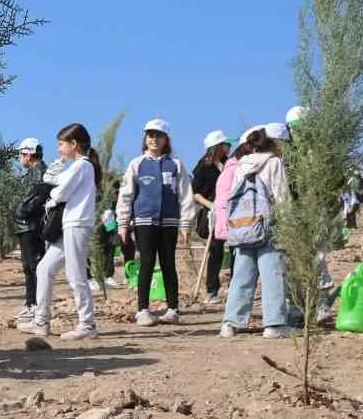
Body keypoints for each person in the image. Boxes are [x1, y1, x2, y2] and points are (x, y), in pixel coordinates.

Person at [22, 123, 102, 340]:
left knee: (76, 276)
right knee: (44, 269)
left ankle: (87, 324)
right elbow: (52, 179)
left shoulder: (83, 166)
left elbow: (62, 192)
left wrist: (51, 198)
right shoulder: (75, 166)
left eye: (61, 144)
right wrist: (58, 168)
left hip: (77, 224)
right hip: (69, 225)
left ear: (73, 144)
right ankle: (41, 321)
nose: (58, 149)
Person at [116, 118, 192, 326]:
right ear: (145, 139)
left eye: (158, 135)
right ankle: (142, 309)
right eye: (150, 135)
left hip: (169, 222)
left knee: (168, 264)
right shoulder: (137, 164)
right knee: (147, 263)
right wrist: (123, 223)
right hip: (144, 221)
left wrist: (185, 224)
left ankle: (173, 309)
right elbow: (125, 195)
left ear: (166, 139)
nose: (154, 139)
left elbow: (185, 195)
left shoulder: (175, 165)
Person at [220, 125, 293, 339]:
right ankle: (274, 324)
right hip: (268, 226)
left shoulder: (242, 164)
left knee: (242, 275)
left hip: (243, 226)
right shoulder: (274, 163)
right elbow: (282, 197)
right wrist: (289, 225)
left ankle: (230, 323)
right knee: (272, 275)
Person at [191, 130, 233, 304]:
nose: (229, 146)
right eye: (226, 144)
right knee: (215, 250)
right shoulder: (203, 167)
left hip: (232, 211)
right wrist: (212, 206)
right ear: (217, 146)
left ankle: (234, 286)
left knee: (237, 248)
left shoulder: (229, 163)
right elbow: (195, 193)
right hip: (212, 212)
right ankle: (212, 290)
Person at [11, 138, 49, 326]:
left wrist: (22, 211)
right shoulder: (37, 172)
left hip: (30, 226)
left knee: (33, 266)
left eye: (20, 154)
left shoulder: (38, 172)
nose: (20, 158)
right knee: (31, 266)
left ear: (27, 154)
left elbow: (37, 198)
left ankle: (35, 305)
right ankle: (32, 303)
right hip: (29, 225)